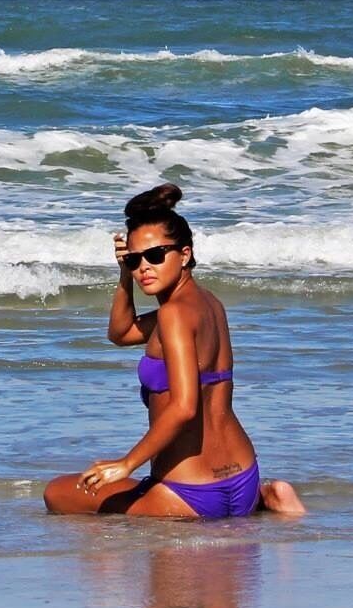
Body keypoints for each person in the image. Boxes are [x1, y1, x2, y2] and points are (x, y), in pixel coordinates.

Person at [43, 184, 304, 519]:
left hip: (190, 494)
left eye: (154, 256)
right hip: (242, 478)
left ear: (184, 254)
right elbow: (121, 333)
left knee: (58, 494)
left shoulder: (173, 314)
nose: (143, 268)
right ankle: (266, 496)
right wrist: (124, 277)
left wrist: (126, 464)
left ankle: (257, 499)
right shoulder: (208, 303)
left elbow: (184, 407)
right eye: (134, 260)